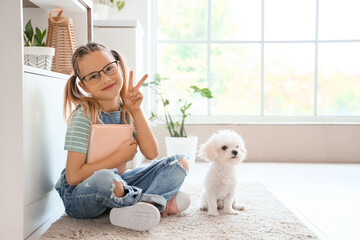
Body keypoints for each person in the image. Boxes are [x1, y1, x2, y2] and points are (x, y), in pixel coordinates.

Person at [55, 42, 190, 231]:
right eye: (94, 76)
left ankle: (141, 206)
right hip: (81, 195)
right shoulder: (84, 116)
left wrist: (136, 110)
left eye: (109, 68)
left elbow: (151, 153)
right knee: (107, 178)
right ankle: (157, 201)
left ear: (118, 65)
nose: (105, 78)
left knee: (179, 162)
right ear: (83, 85)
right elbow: (73, 176)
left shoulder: (126, 110)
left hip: (119, 183)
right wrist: (118, 158)